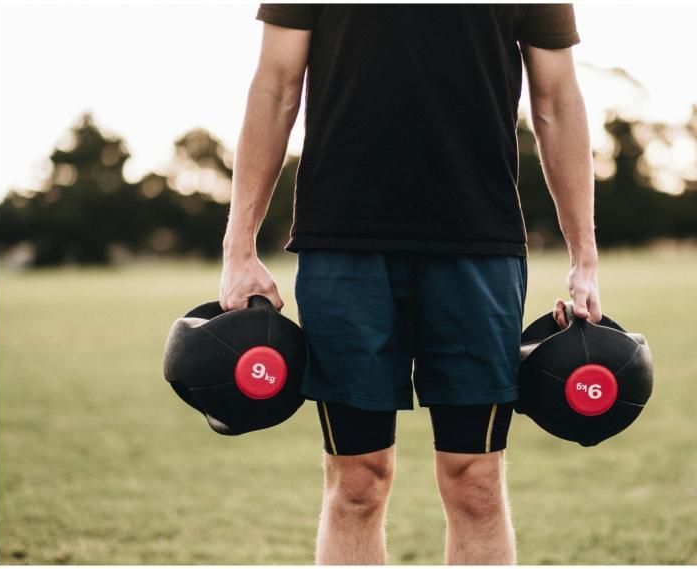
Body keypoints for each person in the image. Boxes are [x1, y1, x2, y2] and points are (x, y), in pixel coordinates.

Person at [219, 4, 601, 565]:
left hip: (478, 245)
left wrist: (584, 255)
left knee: (476, 482)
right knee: (357, 484)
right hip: (344, 244)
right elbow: (276, 86)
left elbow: (558, 101)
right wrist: (239, 247)